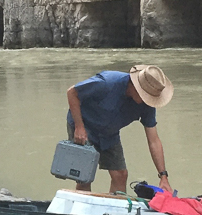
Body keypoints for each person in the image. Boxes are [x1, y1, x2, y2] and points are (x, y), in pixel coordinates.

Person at [66, 64, 174, 196]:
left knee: (120, 175)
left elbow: (154, 140)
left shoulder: (147, 106)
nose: (147, 101)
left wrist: (163, 176)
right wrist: (79, 127)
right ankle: (82, 212)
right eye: (145, 96)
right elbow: (72, 92)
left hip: (109, 133)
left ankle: (115, 211)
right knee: (84, 176)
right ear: (135, 87)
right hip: (85, 125)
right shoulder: (107, 83)